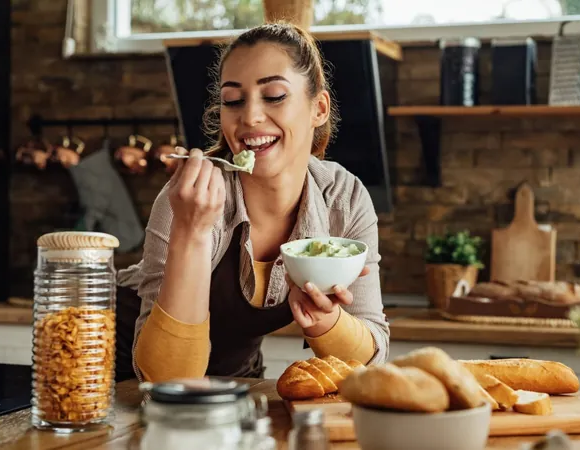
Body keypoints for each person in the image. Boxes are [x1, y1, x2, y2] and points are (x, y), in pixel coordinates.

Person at [115, 22, 390, 382]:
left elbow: (372, 360)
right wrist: (191, 234)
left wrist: (326, 321)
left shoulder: (343, 198)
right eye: (233, 100)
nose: (249, 116)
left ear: (318, 108)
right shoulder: (189, 199)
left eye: (274, 95)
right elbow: (164, 380)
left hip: (235, 379)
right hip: (114, 372)